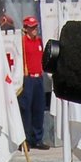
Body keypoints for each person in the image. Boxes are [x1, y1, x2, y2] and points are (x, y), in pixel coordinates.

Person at [19, 15, 49, 148]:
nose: (35, 30)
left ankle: (38, 138)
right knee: (26, 109)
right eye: (31, 28)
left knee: (39, 108)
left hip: (38, 78)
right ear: (26, 29)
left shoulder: (39, 41)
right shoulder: (22, 42)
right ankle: (27, 138)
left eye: (35, 27)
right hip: (28, 78)